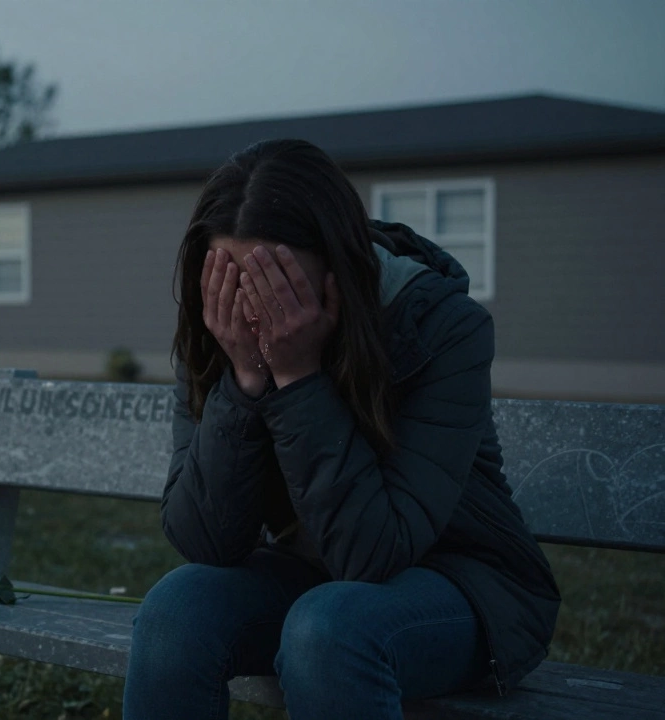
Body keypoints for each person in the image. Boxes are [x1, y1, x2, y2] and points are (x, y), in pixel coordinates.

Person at [123, 140, 561, 719]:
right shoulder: (224, 337)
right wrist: (248, 379)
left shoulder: (442, 328)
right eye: (236, 282)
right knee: (174, 612)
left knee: (328, 629)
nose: (258, 311)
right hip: (314, 574)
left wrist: (299, 377)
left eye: (280, 284)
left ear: (339, 266)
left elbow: (372, 556)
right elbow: (206, 542)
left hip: (463, 587)